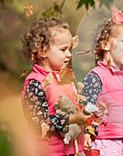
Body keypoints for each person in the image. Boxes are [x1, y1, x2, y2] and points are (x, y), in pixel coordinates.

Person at [21, 17, 89, 156]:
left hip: (75, 149)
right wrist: (73, 119)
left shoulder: (66, 78)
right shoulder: (35, 83)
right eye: (63, 49)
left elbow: (75, 106)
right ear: (42, 51)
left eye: (69, 49)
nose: (69, 54)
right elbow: (40, 122)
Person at [81, 7, 123, 156]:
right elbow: (85, 106)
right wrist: (87, 132)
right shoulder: (96, 76)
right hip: (106, 142)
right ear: (106, 45)